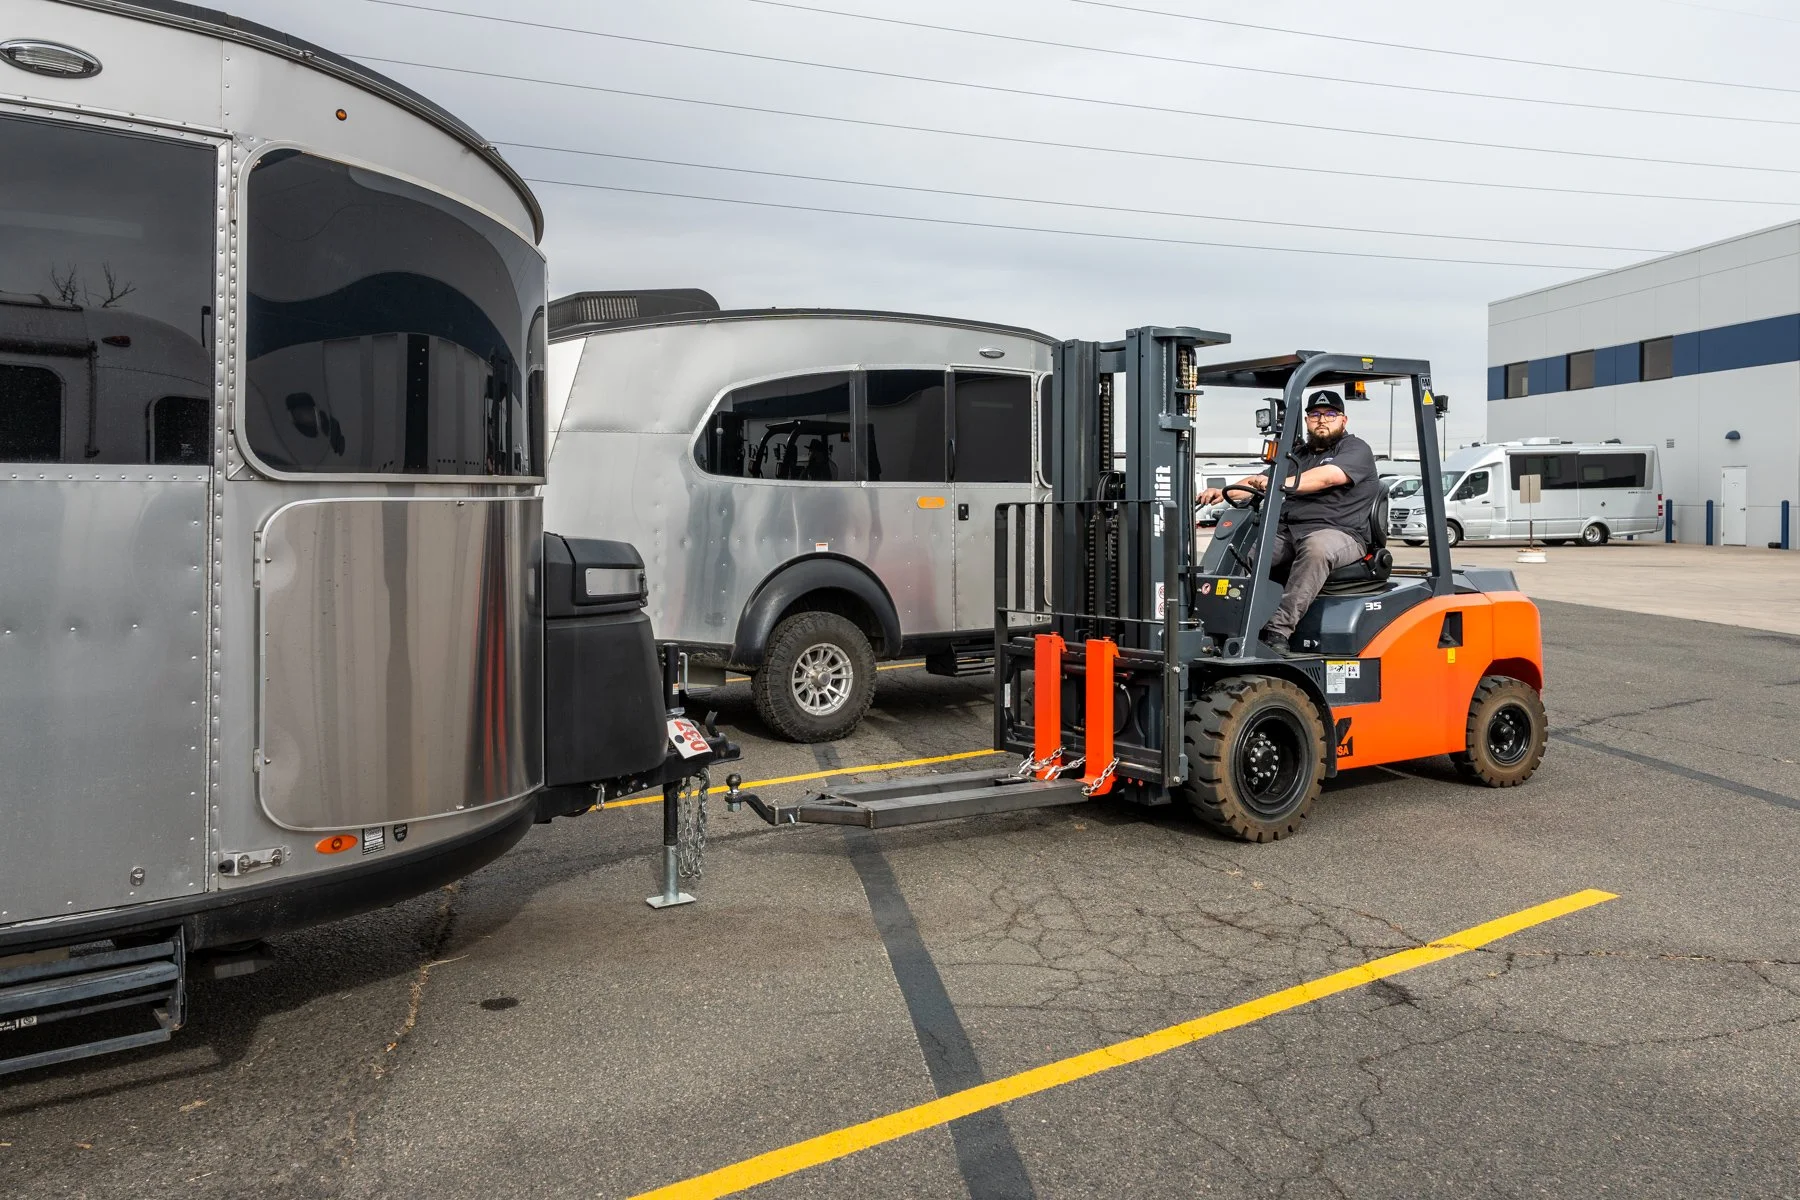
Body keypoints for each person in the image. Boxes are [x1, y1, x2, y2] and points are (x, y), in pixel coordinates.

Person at [1198, 390, 1380, 657]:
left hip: (1341, 532)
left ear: (1343, 420)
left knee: (1317, 549)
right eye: (1315, 415)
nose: (1322, 420)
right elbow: (1257, 481)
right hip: (1290, 531)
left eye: (1330, 415)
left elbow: (1327, 477)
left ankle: (1278, 632)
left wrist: (1278, 484)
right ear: (1306, 420)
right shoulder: (1297, 454)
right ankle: (1216, 623)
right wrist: (1223, 492)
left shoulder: (1355, 449)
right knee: (1242, 554)